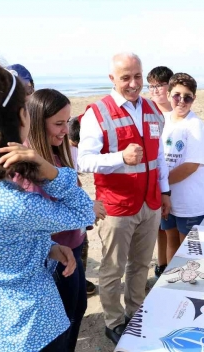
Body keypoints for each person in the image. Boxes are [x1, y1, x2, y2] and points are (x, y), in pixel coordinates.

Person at [0, 50, 95, 351]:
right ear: (19, 118)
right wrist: (49, 168)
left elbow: (2, 243)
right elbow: (83, 211)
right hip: (32, 324)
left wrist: (47, 247)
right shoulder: (11, 203)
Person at [78, 52, 171, 344]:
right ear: (112, 79)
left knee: (141, 265)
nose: (133, 83)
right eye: (125, 77)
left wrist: (165, 191)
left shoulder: (154, 111)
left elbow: (160, 158)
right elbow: (84, 161)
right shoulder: (98, 112)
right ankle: (113, 320)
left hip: (150, 202)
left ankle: (135, 311)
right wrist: (121, 158)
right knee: (113, 268)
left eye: (138, 76)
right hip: (117, 207)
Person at [20, 89, 106, 350]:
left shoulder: (57, 154)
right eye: (58, 124)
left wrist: (83, 216)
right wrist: (86, 209)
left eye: (67, 123)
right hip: (55, 254)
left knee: (78, 307)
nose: (65, 131)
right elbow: (38, 219)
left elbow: (72, 191)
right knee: (64, 321)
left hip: (73, 246)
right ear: (36, 122)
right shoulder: (30, 164)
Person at [161, 73, 204, 262]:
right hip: (166, 198)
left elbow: (191, 165)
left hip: (188, 201)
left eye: (187, 97)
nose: (181, 101)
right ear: (168, 94)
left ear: (193, 98)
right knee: (170, 239)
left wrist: (161, 185)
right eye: (176, 95)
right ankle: (168, 282)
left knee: (188, 247)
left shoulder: (196, 125)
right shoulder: (163, 120)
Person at [146, 66, 173, 277]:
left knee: (171, 227)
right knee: (158, 227)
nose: (155, 90)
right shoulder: (146, 111)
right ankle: (161, 264)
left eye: (159, 86)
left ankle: (169, 265)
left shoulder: (177, 112)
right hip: (154, 178)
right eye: (151, 86)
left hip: (176, 179)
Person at [68, 115, 98, 295]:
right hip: (66, 207)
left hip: (77, 202)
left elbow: (75, 178)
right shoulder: (63, 145)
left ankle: (81, 278)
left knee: (82, 243)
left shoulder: (77, 147)